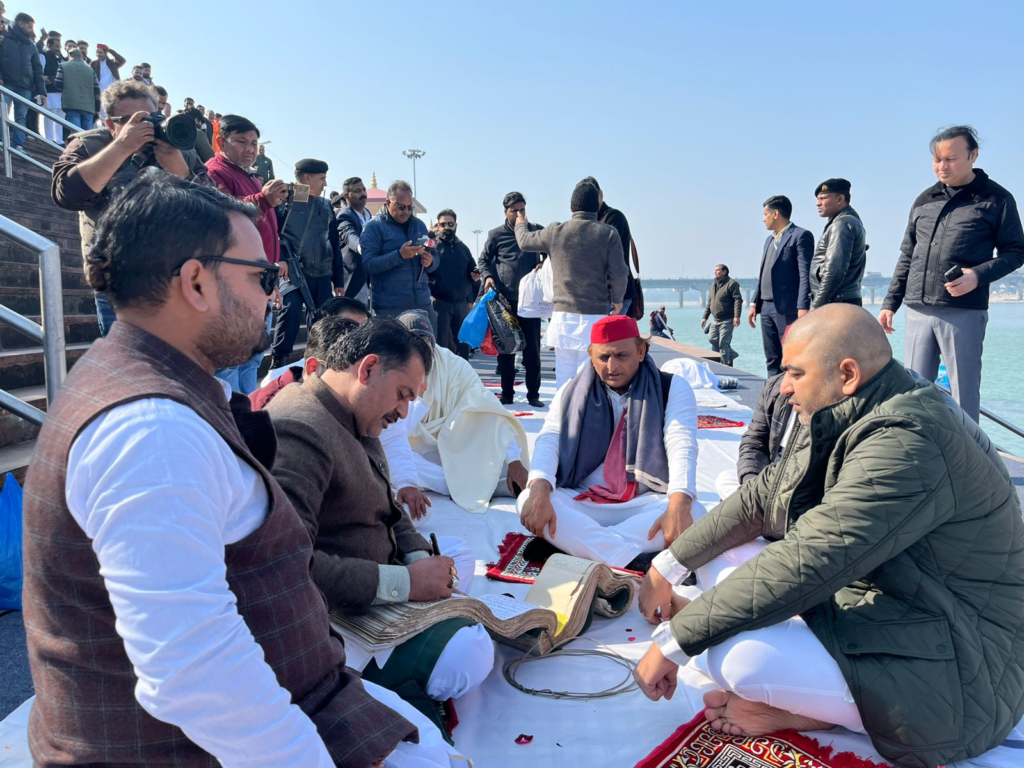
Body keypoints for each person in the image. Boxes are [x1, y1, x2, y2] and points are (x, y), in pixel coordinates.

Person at [22, 170, 456, 768]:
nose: (273, 297)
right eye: (262, 277)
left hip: (299, 692)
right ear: (196, 282)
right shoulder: (150, 430)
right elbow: (192, 669)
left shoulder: (157, 389)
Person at [634, 303, 1024, 768]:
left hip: (962, 658)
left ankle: (817, 712)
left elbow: (809, 559)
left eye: (795, 373)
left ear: (848, 374)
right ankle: (802, 683)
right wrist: (665, 568)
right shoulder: (841, 407)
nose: (783, 387)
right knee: (721, 554)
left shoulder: (909, 439)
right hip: (891, 598)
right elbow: (763, 498)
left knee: (734, 658)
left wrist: (674, 642)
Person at [266, 318, 495, 742]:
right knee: (472, 653)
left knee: (457, 557)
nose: (404, 412)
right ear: (368, 369)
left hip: (379, 575)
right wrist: (406, 583)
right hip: (337, 615)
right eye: (403, 394)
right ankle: (371, 672)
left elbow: (389, 509)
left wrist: (421, 563)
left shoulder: (352, 411)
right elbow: (288, 565)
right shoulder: (299, 428)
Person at [517, 315, 699, 569]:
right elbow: (550, 439)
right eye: (603, 357)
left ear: (641, 351)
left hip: (643, 501)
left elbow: (682, 443)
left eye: (621, 355)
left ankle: (573, 548)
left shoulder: (671, 387)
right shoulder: (571, 392)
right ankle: (634, 562)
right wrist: (539, 490)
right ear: (591, 356)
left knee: (694, 511)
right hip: (583, 499)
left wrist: (679, 503)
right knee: (528, 497)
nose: (612, 366)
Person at [879, 125, 1024, 423]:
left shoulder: (997, 199)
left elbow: (1016, 252)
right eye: (937, 160)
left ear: (973, 155)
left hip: (963, 310)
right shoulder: (924, 199)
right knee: (913, 393)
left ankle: (968, 453)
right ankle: (920, 448)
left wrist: (976, 276)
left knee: (962, 396)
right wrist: (889, 303)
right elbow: (908, 254)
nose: (942, 166)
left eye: (951, 159)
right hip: (918, 309)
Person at [51, 79, 211, 337]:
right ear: (110, 124)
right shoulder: (88, 145)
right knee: (128, 357)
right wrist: (122, 146)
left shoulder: (181, 151)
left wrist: (182, 172)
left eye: (149, 118)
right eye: (131, 120)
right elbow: (67, 194)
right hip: (117, 281)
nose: (144, 126)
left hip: (173, 278)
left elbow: (215, 208)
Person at [381, 310, 529, 515]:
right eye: (413, 345)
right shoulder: (391, 370)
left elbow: (490, 409)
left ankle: (479, 483)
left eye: (425, 344)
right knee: (391, 458)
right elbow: (393, 434)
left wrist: (514, 461)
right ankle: (474, 487)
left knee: (497, 455)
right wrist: (418, 397)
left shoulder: (454, 366)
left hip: (455, 443)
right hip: (415, 450)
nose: (421, 353)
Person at [515, 181, 628, 391]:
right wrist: (617, 299)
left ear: (572, 208)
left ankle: (563, 410)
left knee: (564, 375)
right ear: (596, 207)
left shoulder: (556, 231)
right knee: (589, 376)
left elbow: (524, 241)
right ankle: (586, 410)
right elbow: (620, 272)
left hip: (563, 317)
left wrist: (521, 223)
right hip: (594, 317)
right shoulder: (608, 234)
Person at [205, 114, 289, 391]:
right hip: (233, 283)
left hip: (260, 282)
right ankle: (232, 415)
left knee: (252, 359)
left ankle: (248, 412)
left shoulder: (250, 176)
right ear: (220, 142)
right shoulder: (213, 172)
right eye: (241, 141)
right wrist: (262, 200)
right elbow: (224, 215)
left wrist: (272, 275)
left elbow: (266, 233)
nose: (250, 149)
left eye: (253, 143)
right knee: (230, 362)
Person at [270, 158, 344, 368]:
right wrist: (280, 259)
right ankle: (279, 361)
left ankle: (318, 362)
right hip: (293, 271)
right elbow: (273, 234)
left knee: (323, 320)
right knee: (291, 310)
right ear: (307, 178)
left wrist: (338, 280)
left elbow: (334, 244)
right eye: (322, 178)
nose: (325, 184)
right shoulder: (287, 201)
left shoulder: (325, 205)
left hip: (322, 273)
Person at [478, 191, 546, 406]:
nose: (518, 214)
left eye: (522, 210)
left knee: (532, 351)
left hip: (531, 303)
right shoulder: (496, 235)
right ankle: (507, 394)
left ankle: (533, 395)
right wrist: (488, 277)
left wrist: (543, 264)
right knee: (506, 351)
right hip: (505, 302)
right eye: (514, 210)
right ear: (505, 212)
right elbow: (483, 261)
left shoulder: (535, 231)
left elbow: (552, 252)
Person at [748, 194, 815, 376]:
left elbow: (805, 274)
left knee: (790, 358)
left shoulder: (800, 236)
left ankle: (792, 392)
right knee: (771, 357)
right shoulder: (769, 240)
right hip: (766, 307)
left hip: (787, 309)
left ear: (775, 213)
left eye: (765, 214)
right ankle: (772, 391)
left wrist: (803, 307)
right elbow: (763, 273)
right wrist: (754, 303)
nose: (763, 219)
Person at [360, 180, 438, 326]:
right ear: (388, 203)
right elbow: (368, 264)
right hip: (390, 308)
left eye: (410, 207)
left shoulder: (419, 226)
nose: (406, 212)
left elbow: (435, 256)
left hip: (422, 304)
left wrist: (430, 261)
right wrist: (399, 255)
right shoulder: (374, 227)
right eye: (401, 207)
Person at [250, 315, 360, 411]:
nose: (359, 385)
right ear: (313, 368)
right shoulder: (275, 414)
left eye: (367, 371)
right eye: (351, 375)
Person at [260, 295, 370, 386]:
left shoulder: (369, 377)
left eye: (365, 331)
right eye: (347, 330)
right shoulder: (278, 381)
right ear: (321, 330)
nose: (359, 340)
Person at [583, 176, 638, 316]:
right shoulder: (590, 220)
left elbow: (606, 252)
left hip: (616, 297)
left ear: (600, 194)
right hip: (599, 295)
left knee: (609, 331)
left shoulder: (614, 217)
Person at [810, 178, 867, 308]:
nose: (818, 203)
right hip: (842, 300)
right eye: (818, 199)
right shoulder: (851, 221)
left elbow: (834, 270)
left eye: (823, 198)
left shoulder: (841, 224)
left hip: (836, 302)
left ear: (840, 199)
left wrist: (817, 305)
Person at [429, 208, 477, 359]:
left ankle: (463, 374)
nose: (447, 227)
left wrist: (474, 276)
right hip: (440, 303)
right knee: (441, 346)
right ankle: (442, 375)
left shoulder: (463, 248)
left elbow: (472, 269)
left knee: (463, 346)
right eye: (443, 224)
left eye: (450, 224)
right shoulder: (432, 246)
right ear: (438, 225)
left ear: (456, 225)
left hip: (461, 304)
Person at [0, 12, 46, 152]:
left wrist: (42, 92)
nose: (32, 30)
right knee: (2, 114)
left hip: (25, 86)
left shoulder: (31, 46)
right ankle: (1, 142)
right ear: (21, 24)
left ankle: (18, 146)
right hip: (6, 83)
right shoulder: (4, 39)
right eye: (30, 27)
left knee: (21, 117)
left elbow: (38, 70)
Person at [336, 176, 371, 301]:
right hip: (353, 278)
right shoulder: (345, 215)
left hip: (369, 275)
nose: (363, 194)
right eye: (357, 191)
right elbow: (348, 234)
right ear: (346, 196)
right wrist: (361, 247)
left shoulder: (368, 214)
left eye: (363, 189)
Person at [700, 264, 742, 366]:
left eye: (718, 270)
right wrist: (705, 317)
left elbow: (738, 300)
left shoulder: (732, 284)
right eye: (715, 270)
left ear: (724, 272)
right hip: (715, 319)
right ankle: (731, 354)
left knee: (723, 343)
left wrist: (737, 316)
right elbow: (709, 303)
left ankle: (723, 366)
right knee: (712, 339)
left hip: (728, 319)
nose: (715, 272)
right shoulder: (712, 286)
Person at [54, 49, 99, 132]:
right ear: (81, 57)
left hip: (71, 103)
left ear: (70, 55)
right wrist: (97, 108)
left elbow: (58, 83)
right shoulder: (91, 70)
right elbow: (96, 90)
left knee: (76, 133)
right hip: (89, 107)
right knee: (87, 134)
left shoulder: (63, 66)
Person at [41, 35, 66, 144]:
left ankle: (59, 140)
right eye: (56, 46)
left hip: (61, 92)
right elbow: (39, 70)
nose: (58, 49)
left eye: (59, 46)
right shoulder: (44, 56)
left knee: (60, 117)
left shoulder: (61, 59)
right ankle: (49, 138)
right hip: (50, 91)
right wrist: (43, 78)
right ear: (49, 46)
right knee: (50, 115)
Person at [91, 44, 125, 118]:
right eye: (97, 52)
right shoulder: (94, 63)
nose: (98, 54)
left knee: (111, 111)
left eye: (100, 52)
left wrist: (110, 50)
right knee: (101, 113)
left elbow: (122, 60)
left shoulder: (112, 63)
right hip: (99, 92)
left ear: (105, 53)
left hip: (112, 91)